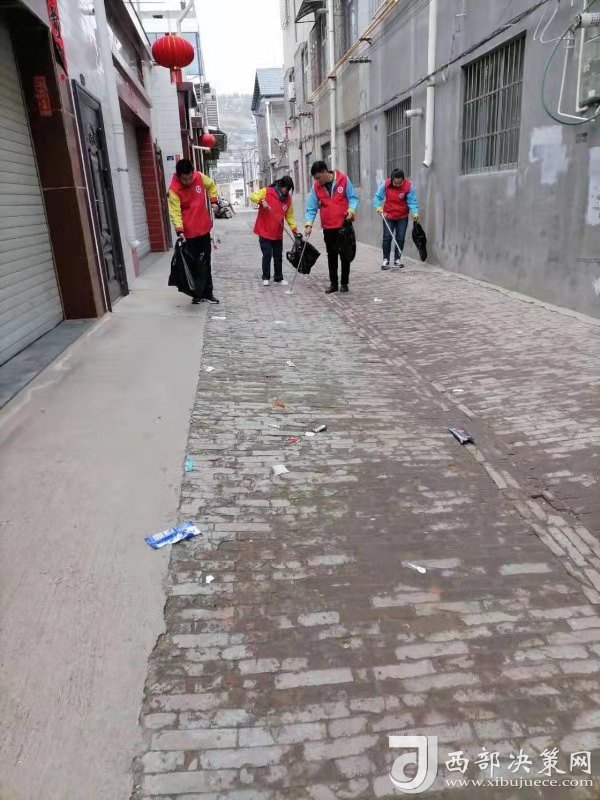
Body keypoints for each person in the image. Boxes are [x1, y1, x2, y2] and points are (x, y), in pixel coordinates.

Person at [168, 159, 220, 304]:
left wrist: (214, 201)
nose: (188, 181)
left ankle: (208, 293)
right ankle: (197, 294)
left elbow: (211, 185)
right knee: (193, 265)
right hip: (188, 235)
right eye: (185, 179)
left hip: (203, 230)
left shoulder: (199, 177)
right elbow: (175, 212)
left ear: (193, 172)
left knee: (206, 263)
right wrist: (179, 230)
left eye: (190, 177)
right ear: (179, 176)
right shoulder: (174, 189)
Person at [304, 161, 359, 294]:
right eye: (315, 178)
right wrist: (308, 224)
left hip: (343, 226)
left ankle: (344, 283)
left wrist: (351, 210)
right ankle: (333, 283)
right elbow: (311, 207)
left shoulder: (343, 180)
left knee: (345, 255)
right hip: (328, 227)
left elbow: (353, 198)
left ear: (325, 172)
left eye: (318, 177)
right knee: (331, 256)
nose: (317, 181)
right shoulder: (316, 187)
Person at [249, 176, 299, 287]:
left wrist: (294, 230)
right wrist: (262, 201)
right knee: (267, 254)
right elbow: (252, 196)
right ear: (281, 185)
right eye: (285, 188)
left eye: (289, 189)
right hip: (264, 230)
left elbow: (289, 216)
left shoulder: (288, 199)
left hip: (277, 232)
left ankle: (278, 278)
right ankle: (266, 277)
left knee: (278, 256)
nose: (286, 191)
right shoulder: (267, 191)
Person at [373, 168, 419, 270]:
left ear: (403, 179)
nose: (398, 185)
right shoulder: (386, 184)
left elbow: (412, 201)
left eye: (400, 183)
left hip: (402, 217)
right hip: (388, 215)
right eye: (395, 183)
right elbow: (377, 197)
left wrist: (415, 212)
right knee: (387, 237)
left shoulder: (408, 186)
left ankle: (397, 260)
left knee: (400, 238)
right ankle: (386, 260)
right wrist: (378, 206)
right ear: (392, 179)